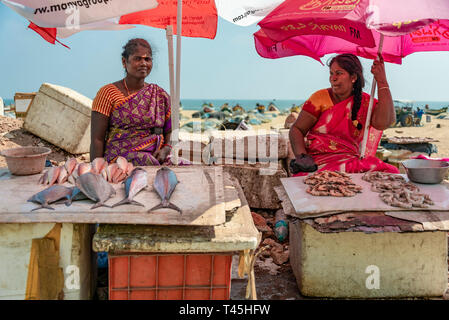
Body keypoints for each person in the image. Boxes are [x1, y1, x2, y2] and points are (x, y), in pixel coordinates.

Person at [289, 53, 399, 176]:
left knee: (392, 172)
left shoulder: (366, 102)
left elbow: (383, 123)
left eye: (339, 73)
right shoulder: (319, 98)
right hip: (319, 162)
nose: (333, 78)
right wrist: (302, 157)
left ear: (353, 77)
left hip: (350, 162)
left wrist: (381, 80)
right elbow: (297, 129)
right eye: (331, 73)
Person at [90, 38, 188, 166]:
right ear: (124, 62)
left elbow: (172, 130)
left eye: (147, 59)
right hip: (120, 160)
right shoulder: (107, 93)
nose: (143, 63)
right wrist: (96, 170)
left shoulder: (160, 95)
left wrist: (166, 149)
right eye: (138, 59)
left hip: (159, 156)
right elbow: (97, 139)